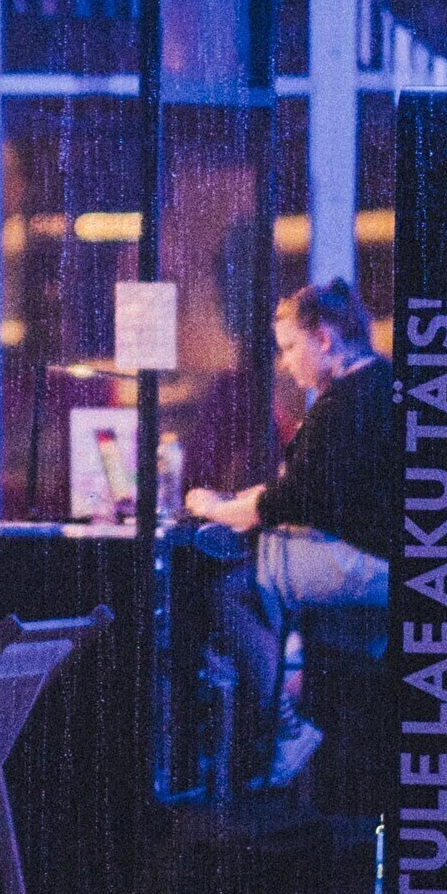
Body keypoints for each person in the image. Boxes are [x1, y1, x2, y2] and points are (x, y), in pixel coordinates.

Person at [185, 279, 395, 782]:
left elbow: (287, 502)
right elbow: (316, 492)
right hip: (379, 556)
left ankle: (285, 726)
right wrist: (248, 502)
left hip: (366, 562)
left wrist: (214, 506)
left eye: (291, 347)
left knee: (227, 588)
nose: (285, 363)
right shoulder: (376, 383)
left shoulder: (345, 403)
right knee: (258, 579)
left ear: (324, 338)